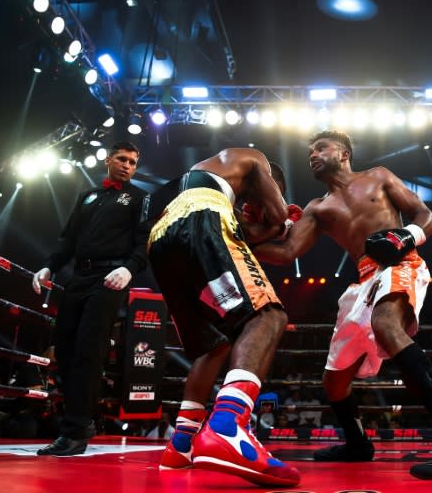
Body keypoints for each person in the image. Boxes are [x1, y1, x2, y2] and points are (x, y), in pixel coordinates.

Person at [252, 130, 432, 480]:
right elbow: (287, 253)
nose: (312, 155)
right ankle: (357, 442)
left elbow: (426, 216)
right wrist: (234, 241)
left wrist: (405, 236)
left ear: (344, 153)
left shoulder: (378, 176)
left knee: (386, 326)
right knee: (334, 380)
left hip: (400, 264)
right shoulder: (318, 208)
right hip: (362, 281)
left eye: (321, 148)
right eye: (310, 152)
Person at [147, 148, 302, 487]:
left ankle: (181, 444)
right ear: (270, 180)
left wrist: (262, 226)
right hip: (203, 219)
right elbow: (276, 216)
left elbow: (247, 235)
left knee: (211, 346)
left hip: (160, 239)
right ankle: (228, 426)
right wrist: (285, 219)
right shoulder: (255, 158)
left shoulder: (215, 177)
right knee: (267, 315)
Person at [31, 141, 150, 456]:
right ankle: (83, 422)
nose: (127, 165)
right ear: (109, 160)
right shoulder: (87, 197)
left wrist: (130, 268)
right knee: (66, 351)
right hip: (77, 278)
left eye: (133, 162)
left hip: (109, 279)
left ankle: (74, 433)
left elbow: (145, 240)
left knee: (88, 352)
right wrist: (49, 266)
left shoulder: (140, 198)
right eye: (122, 159)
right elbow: (68, 240)